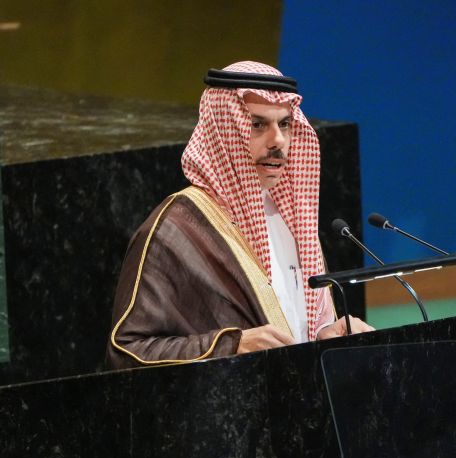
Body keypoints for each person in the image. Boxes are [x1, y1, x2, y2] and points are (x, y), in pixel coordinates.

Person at [107, 61, 373, 369]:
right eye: (258, 125)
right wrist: (232, 345)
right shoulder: (175, 229)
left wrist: (325, 334)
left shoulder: (294, 221)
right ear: (223, 132)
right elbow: (126, 352)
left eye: (284, 124)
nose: (278, 141)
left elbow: (296, 327)